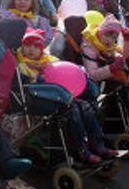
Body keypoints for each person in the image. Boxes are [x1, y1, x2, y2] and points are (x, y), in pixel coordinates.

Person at [15, 28, 118, 163]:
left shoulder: (50, 60)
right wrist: (42, 75)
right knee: (72, 110)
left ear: (42, 49)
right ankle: (81, 150)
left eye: (36, 46)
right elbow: (30, 86)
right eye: (27, 45)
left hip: (61, 95)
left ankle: (98, 144)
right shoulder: (22, 65)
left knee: (86, 106)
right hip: (41, 98)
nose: (31, 49)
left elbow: (65, 73)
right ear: (22, 47)